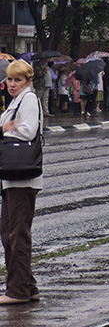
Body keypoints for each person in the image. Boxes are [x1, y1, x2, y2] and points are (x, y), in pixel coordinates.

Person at [0, 59, 42, 304]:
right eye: (9, 79)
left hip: (22, 178)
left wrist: (5, 128)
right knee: (9, 233)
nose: (12, 84)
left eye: (18, 79)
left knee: (17, 234)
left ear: (28, 81)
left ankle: (17, 292)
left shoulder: (29, 100)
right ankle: (28, 287)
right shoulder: (16, 101)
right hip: (12, 179)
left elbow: (28, 131)